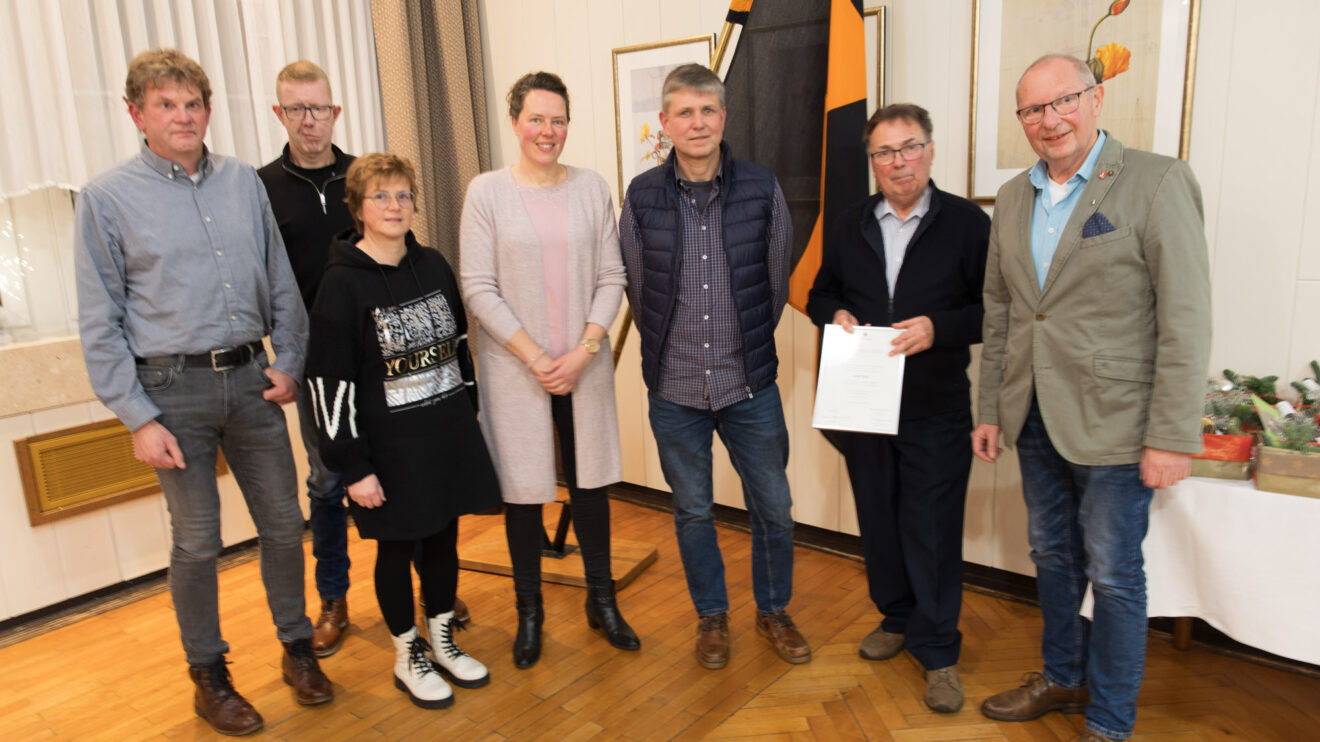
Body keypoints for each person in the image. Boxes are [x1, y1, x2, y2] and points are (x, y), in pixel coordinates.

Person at [74, 48, 332, 736]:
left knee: (283, 525)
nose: (182, 117)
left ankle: (297, 648)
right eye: (165, 105)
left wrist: (292, 359)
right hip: (169, 391)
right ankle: (209, 677)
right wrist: (135, 415)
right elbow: (99, 320)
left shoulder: (243, 182)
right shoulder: (106, 199)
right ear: (137, 115)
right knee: (198, 542)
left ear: (208, 111)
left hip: (254, 382)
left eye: (192, 104)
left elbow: (279, 279)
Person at [971, 55, 1211, 742]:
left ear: (1096, 98)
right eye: (1032, 110)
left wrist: (1171, 434)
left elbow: (1186, 316)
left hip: (1119, 424)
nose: (1050, 120)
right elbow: (1004, 311)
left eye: (1063, 101)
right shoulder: (1015, 197)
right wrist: (990, 408)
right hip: (1034, 414)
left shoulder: (1157, 182)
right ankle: (1062, 677)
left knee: (1113, 574)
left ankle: (1109, 719)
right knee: (1051, 554)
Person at [257, 60, 470, 658]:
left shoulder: (365, 175)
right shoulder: (263, 186)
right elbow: (261, 278)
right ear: (280, 114)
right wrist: (287, 356)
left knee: (415, 484)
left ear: (335, 113)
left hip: (397, 371)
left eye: (317, 107)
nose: (308, 119)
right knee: (332, 482)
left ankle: (438, 599)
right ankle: (334, 598)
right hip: (318, 361)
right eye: (295, 108)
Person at [619, 63, 807, 670]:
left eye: (708, 111)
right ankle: (712, 617)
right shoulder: (642, 195)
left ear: (723, 118)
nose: (697, 123)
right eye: (684, 112)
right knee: (693, 510)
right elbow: (638, 286)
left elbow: (775, 283)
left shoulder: (761, 187)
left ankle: (773, 609)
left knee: (773, 507)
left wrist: (740, 344)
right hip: (673, 390)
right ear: (666, 122)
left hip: (748, 383)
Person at [806, 103, 989, 713]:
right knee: (879, 519)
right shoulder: (851, 221)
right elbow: (820, 290)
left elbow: (994, 311)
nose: (898, 162)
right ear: (872, 162)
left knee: (931, 529)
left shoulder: (966, 224)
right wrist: (834, 314)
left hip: (934, 405)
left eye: (908, 147)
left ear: (931, 150)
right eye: (884, 153)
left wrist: (939, 328)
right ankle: (897, 617)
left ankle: (938, 652)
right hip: (863, 400)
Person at [306, 153, 501, 709]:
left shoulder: (434, 264)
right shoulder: (340, 285)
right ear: (359, 207)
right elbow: (329, 385)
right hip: (385, 454)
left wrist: (469, 413)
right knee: (395, 550)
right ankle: (407, 654)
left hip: (446, 439)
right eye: (380, 197)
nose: (394, 207)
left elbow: (459, 346)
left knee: (442, 539)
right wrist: (353, 466)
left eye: (403, 195)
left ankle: (441, 638)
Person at [460, 71, 638, 669]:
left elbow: (613, 276)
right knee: (524, 494)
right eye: (536, 118)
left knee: (590, 486)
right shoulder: (486, 192)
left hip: (582, 366)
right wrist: (538, 358)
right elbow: (478, 288)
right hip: (518, 372)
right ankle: (529, 611)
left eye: (557, 119)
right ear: (514, 123)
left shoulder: (592, 188)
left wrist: (586, 349)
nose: (548, 131)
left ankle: (602, 599)